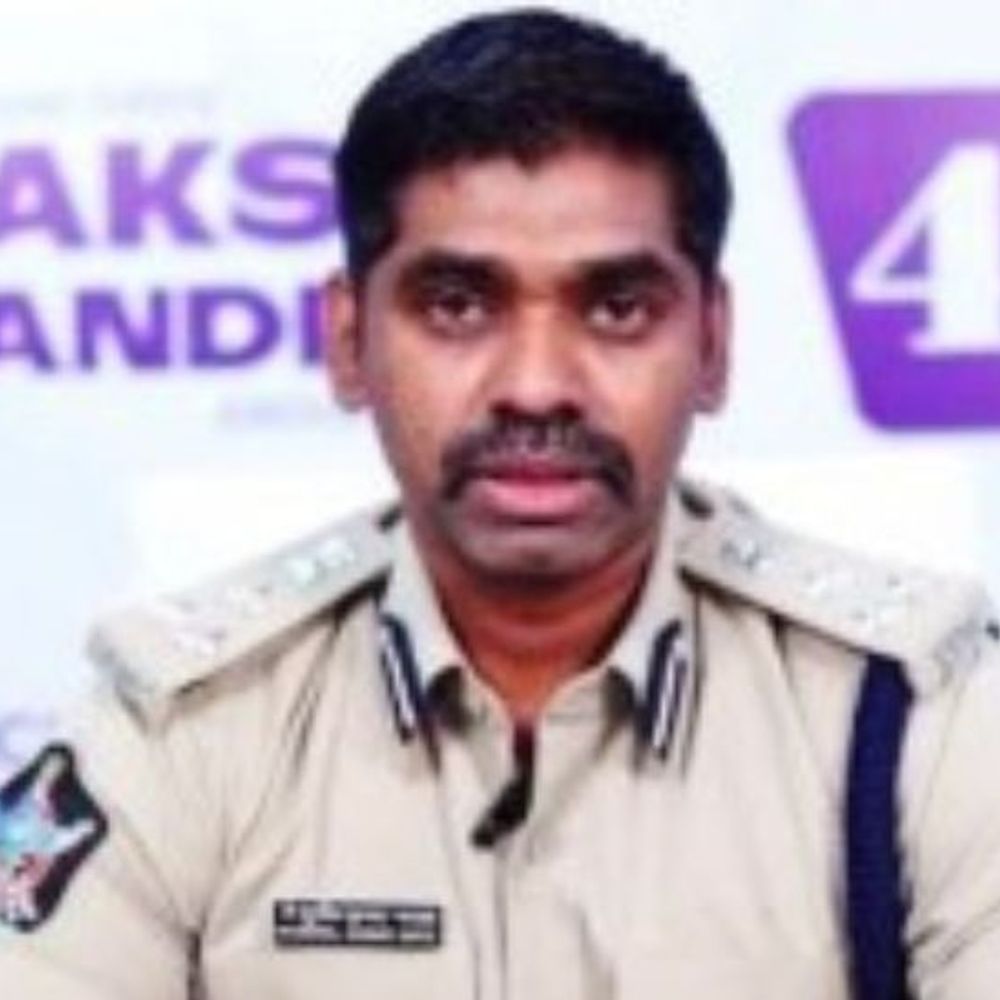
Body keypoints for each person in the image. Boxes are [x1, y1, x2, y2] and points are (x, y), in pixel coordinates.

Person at [2, 8, 999, 999]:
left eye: (617, 308)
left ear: (711, 344)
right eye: (457, 306)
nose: (536, 386)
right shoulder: (183, 726)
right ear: (348, 341)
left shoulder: (919, 715)